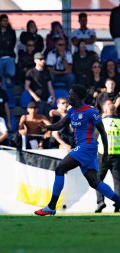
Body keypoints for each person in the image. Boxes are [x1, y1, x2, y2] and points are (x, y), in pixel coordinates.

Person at [35, 84, 120, 216]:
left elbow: (103, 133)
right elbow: (60, 124)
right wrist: (48, 127)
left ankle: (51, 206)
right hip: (83, 148)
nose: (69, 97)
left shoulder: (90, 111)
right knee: (94, 182)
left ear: (79, 97)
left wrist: (106, 153)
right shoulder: (71, 111)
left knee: (60, 168)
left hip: (86, 147)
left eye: (71, 95)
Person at [95, 100, 120, 213]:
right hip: (118, 157)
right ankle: (118, 204)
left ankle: (101, 202)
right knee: (118, 182)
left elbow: (94, 138)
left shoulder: (101, 122)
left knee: (97, 180)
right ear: (115, 111)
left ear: (105, 110)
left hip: (103, 156)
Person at [0, 14, 16, 89]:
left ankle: (8, 80)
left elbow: (13, 44)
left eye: (7, 21)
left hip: (9, 56)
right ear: (0, 22)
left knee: (11, 73)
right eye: (4, 21)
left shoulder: (11, 32)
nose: (5, 22)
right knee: (1, 77)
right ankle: (4, 92)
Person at [25, 52, 55, 117]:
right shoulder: (30, 72)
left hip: (46, 99)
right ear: (35, 60)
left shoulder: (46, 72)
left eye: (43, 59)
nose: (43, 61)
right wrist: (35, 97)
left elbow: (50, 86)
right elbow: (27, 87)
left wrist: (53, 96)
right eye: (40, 59)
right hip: (35, 101)